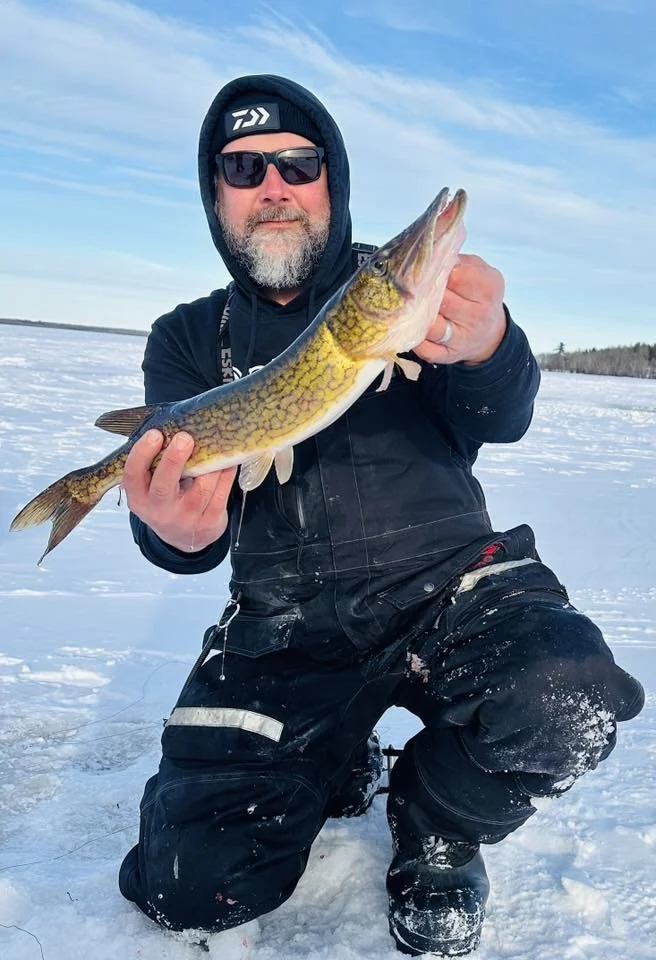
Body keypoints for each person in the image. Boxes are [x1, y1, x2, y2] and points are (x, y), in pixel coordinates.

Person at [117, 74, 644, 957]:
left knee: (568, 696)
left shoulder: (397, 297)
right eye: (244, 168)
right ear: (216, 196)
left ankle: (438, 824)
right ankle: (332, 756)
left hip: (451, 585)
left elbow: (499, 413)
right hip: (285, 626)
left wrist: (489, 345)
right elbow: (182, 526)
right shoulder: (186, 337)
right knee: (189, 884)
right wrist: (173, 530)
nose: (274, 184)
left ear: (333, 178)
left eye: (298, 162)